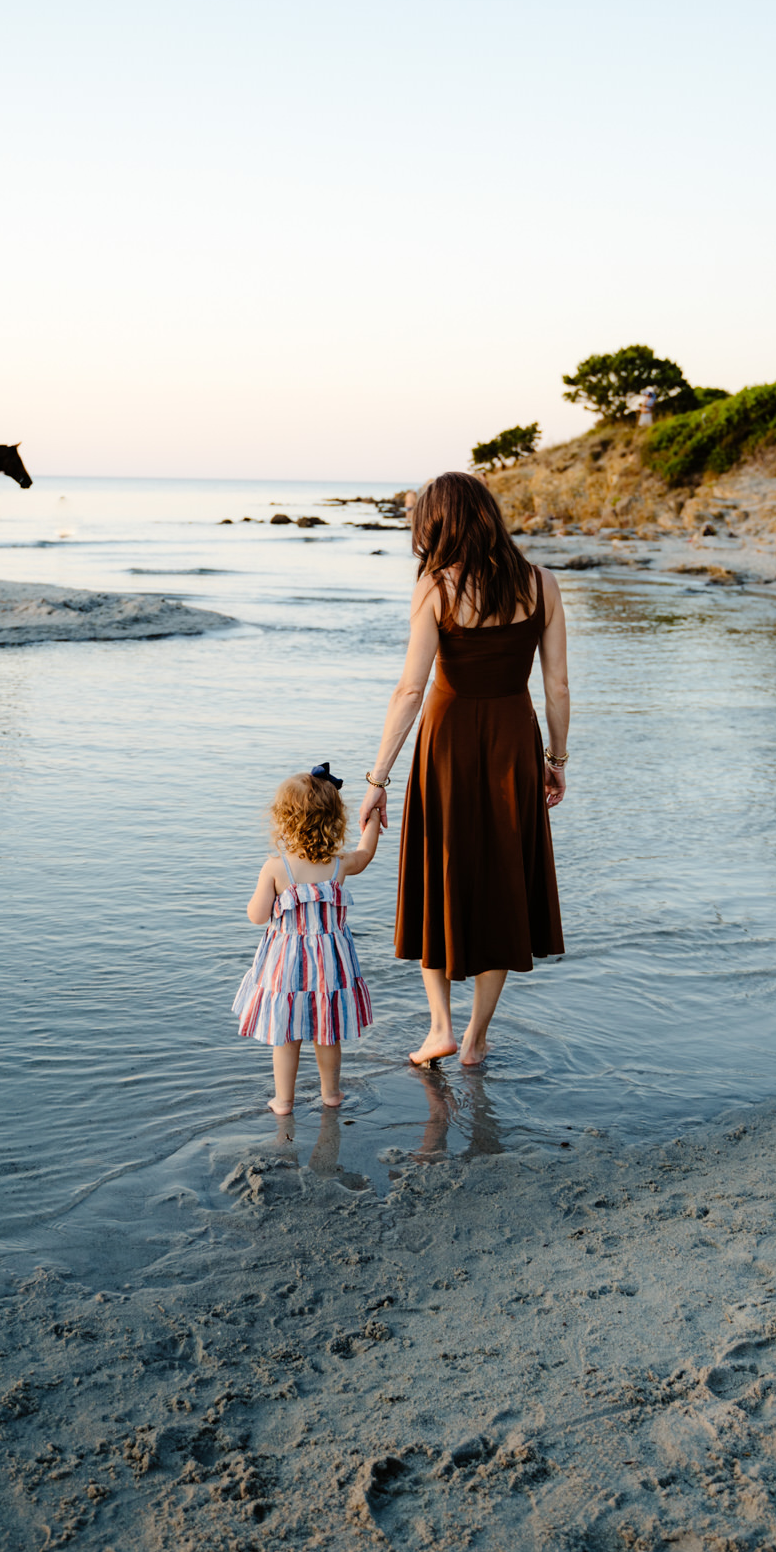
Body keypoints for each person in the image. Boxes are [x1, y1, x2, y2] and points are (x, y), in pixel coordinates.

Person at [359, 471, 568, 1069]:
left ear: (439, 523)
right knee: (503, 882)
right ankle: (475, 1039)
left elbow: (409, 690)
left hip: (446, 743)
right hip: (513, 744)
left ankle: (441, 1029)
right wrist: (555, 759)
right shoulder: (541, 583)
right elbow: (557, 683)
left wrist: (377, 781)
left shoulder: (435, 587)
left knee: (436, 874)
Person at [236, 762, 381, 1116]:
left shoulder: (276, 867)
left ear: (284, 820)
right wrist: (374, 816)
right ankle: (331, 1094)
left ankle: (283, 1101)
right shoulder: (338, 864)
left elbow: (257, 916)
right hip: (331, 962)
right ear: (334, 819)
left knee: (287, 1035)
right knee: (326, 1032)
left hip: (287, 964)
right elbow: (365, 854)